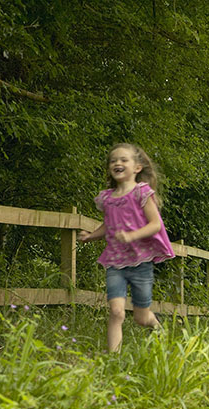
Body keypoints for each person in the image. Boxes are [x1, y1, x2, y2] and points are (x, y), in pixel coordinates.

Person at [78, 143, 175, 352]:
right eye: (113, 161)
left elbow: (155, 224)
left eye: (123, 160)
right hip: (115, 262)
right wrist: (91, 236)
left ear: (137, 168)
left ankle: (159, 329)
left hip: (141, 262)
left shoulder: (141, 193)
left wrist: (132, 235)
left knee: (141, 318)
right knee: (116, 312)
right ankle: (113, 358)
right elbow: (108, 225)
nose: (117, 163)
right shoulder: (107, 199)